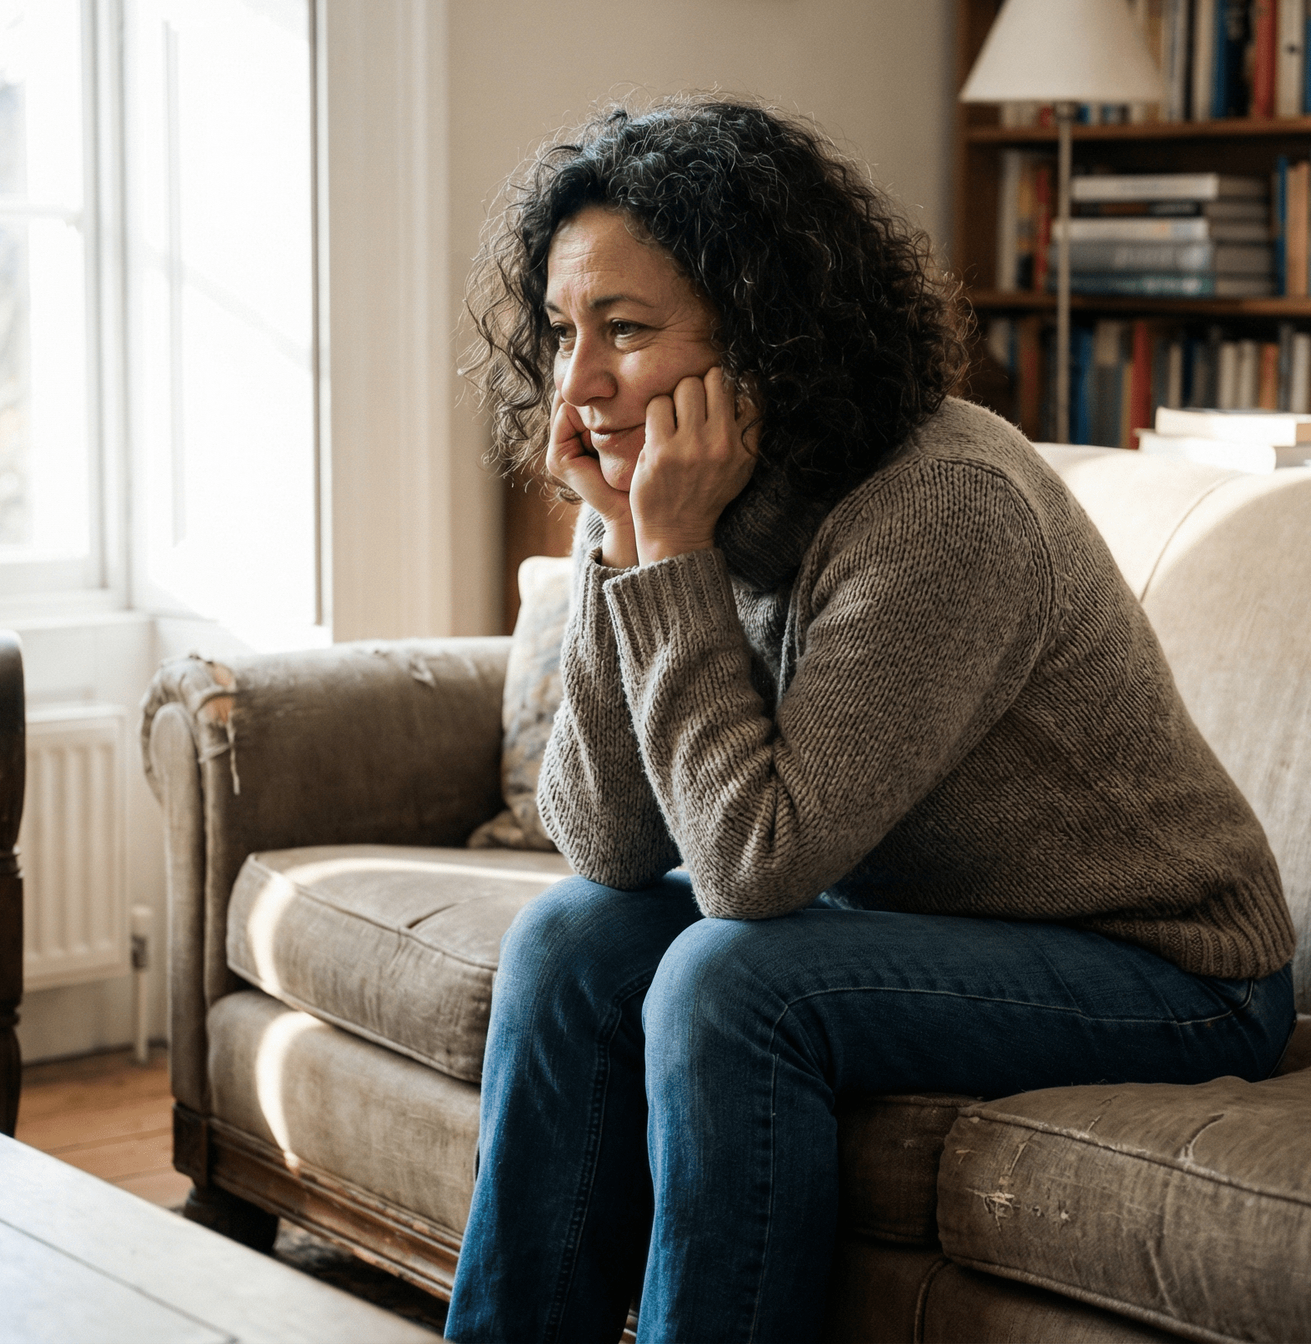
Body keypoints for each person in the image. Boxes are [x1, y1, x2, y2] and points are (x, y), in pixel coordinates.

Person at [443, 98, 1296, 1344]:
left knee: (735, 984)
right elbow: (607, 848)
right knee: (571, 940)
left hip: (1164, 964)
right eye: (566, 330)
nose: (578, 385)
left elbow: (751, 870)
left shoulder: (942, 503)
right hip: (918, 919)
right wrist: (622, 546)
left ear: (763, 334)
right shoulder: (658, 487)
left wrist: (667, 548)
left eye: (624, 332)